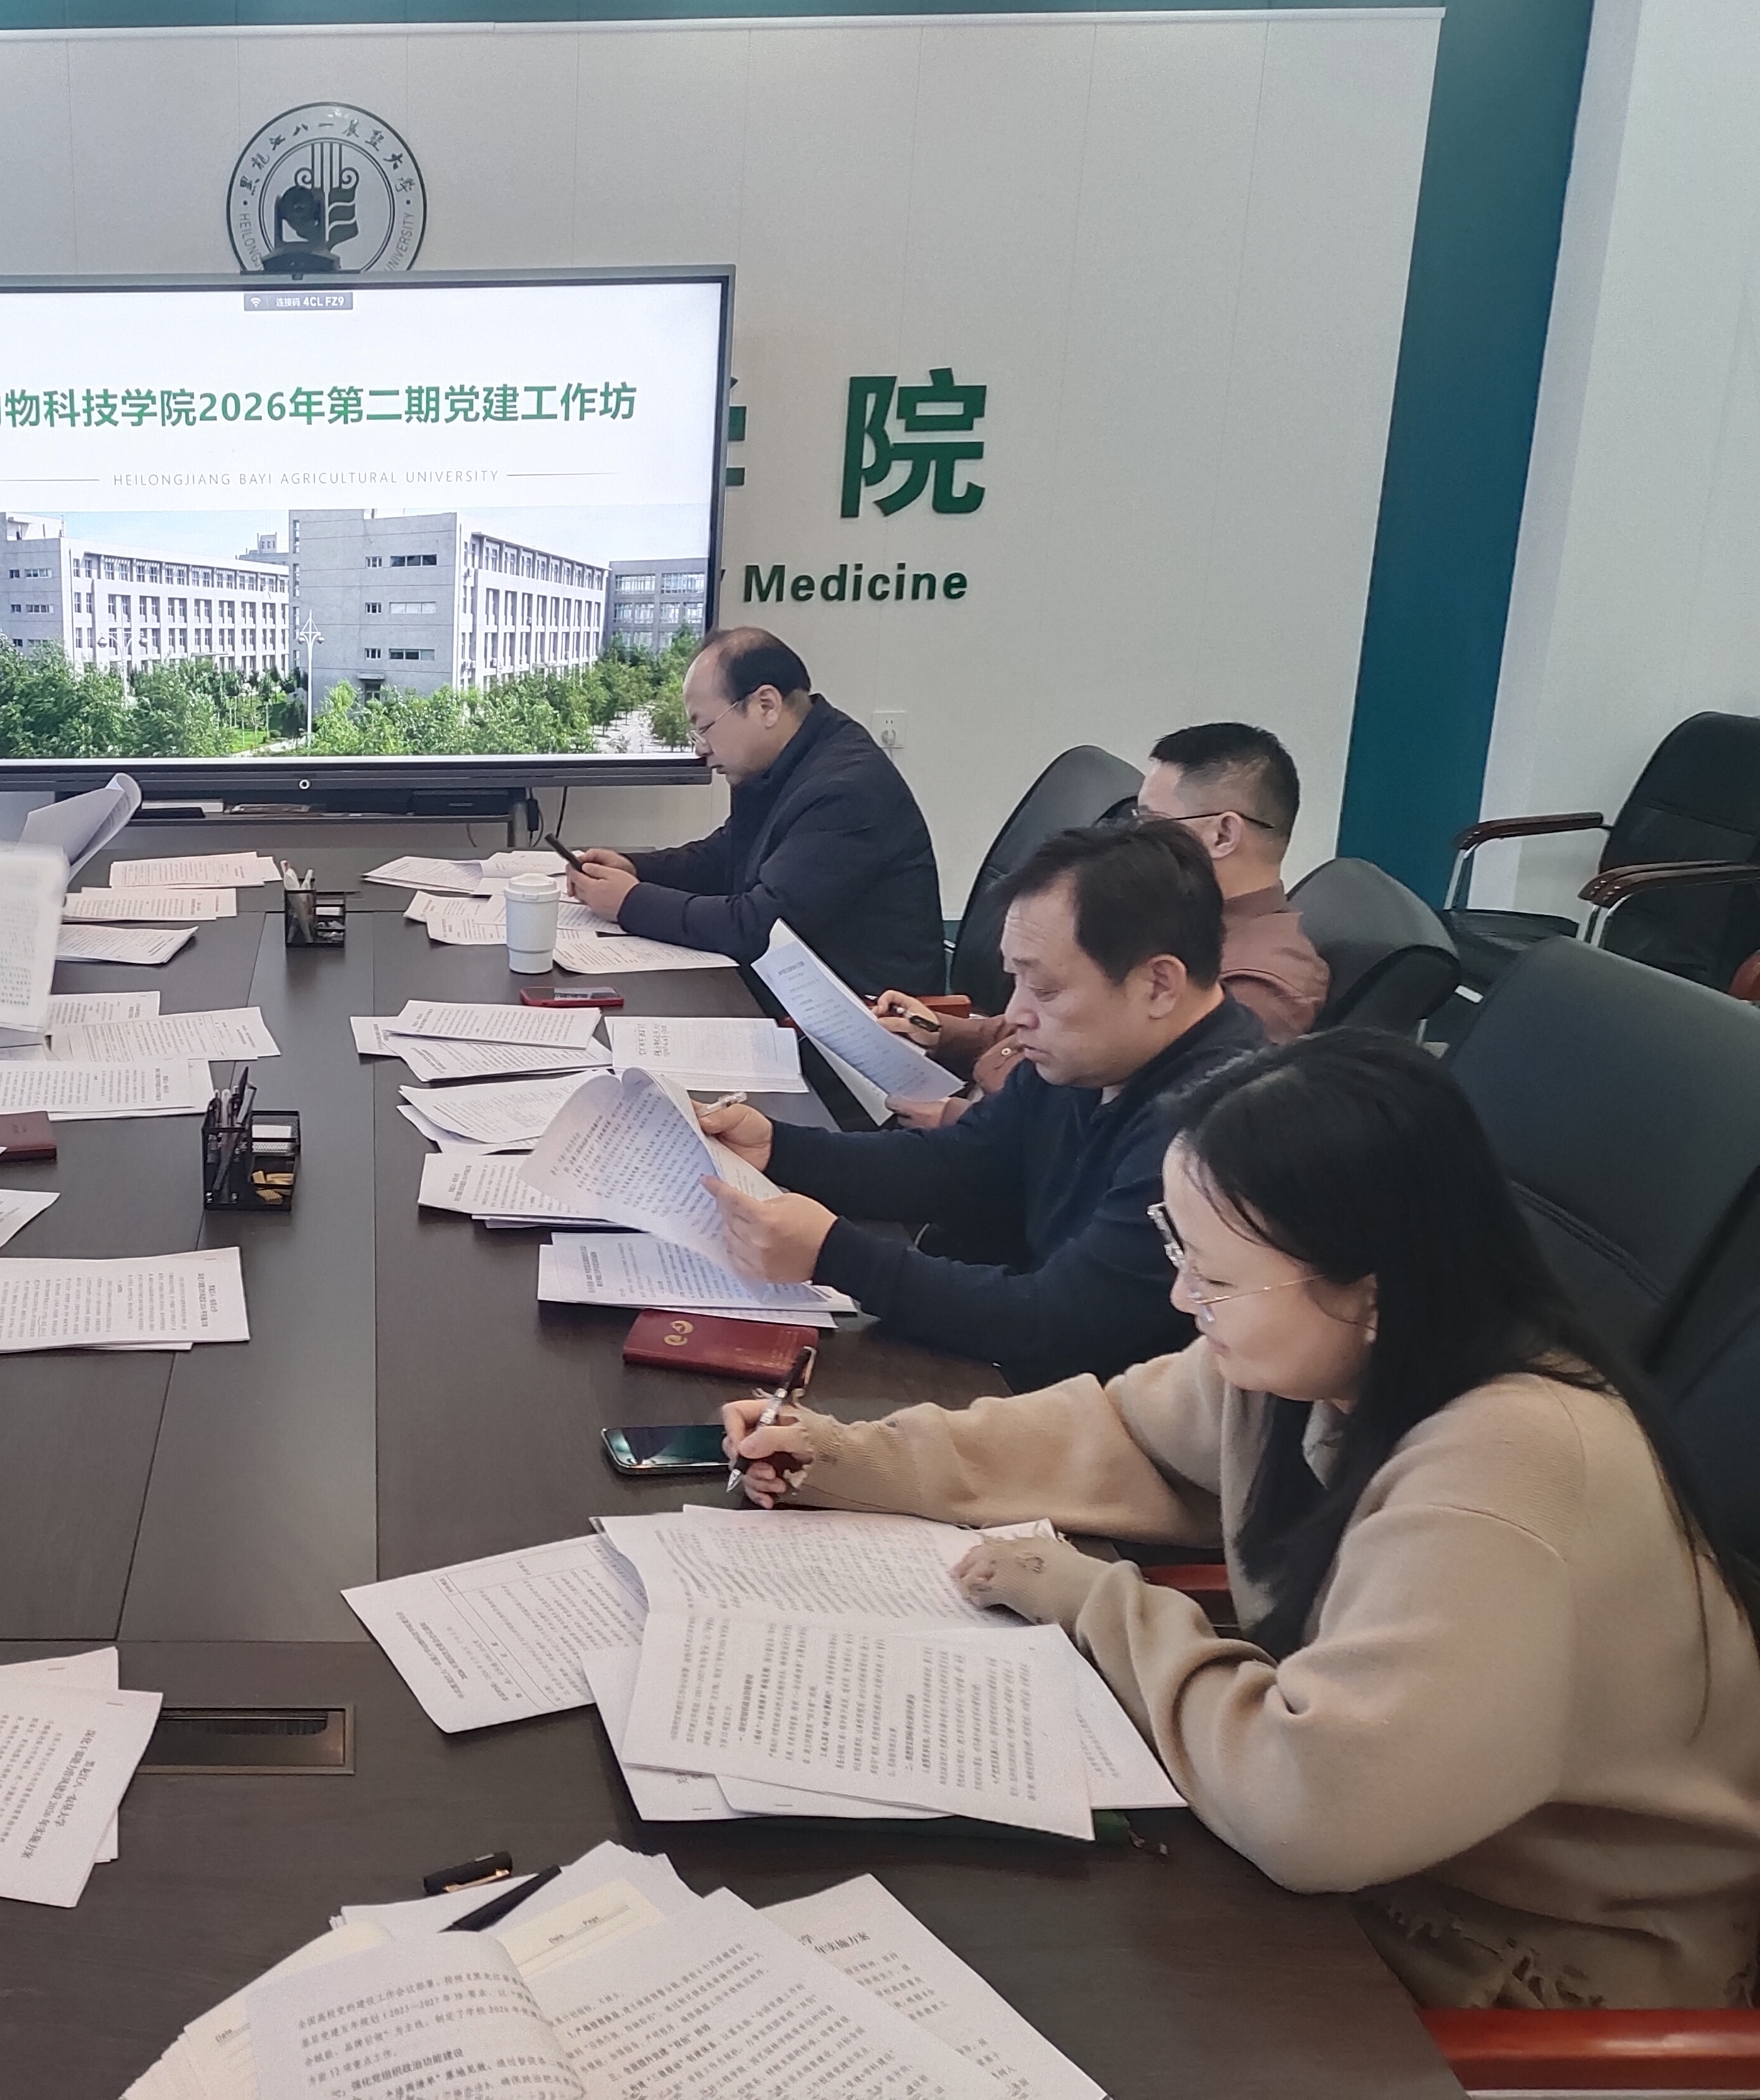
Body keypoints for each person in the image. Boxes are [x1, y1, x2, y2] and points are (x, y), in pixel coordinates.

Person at [724, 1028, 1760, 2011]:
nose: (1184, 1299)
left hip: (1523, 1962)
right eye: (1177, 1249)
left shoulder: (1509, 1470)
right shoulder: (1329, 1355)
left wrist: (1093, 1602)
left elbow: (1316, 1812)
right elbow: (1120, 1432)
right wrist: (846, 1456)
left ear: (1370, 1287)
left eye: (1215, 1279)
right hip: (1376, 1864)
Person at [699, 819, 1263, 1386]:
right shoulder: (1094, 1054)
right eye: (1015, 981)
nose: (1017, 1014)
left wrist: (833, 1254)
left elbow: (1055, 1321)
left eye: (1045, 990)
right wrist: (779, 1148)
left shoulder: (1214, 1132)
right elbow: (961, 1163)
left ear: (1158, 985)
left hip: (1093, 1411)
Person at [888, 724, 1330, 1106]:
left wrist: (955, 1118)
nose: (1135, 837)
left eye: (1151, 821)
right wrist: (942, 1033)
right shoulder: (1166, 913)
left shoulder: (1262, 985)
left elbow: (1124, 1110)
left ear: (1223, 834)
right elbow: (1053, 1017)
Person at [564, 628, 942, 992]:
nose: (700, 749)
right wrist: (635, 868)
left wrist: (630, 903)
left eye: (705, 727)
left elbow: (758, 927)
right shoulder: (788, 762)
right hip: (796, 991)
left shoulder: (846, 790)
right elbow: (726, 856)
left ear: (766, 706)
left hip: (859, 1017)